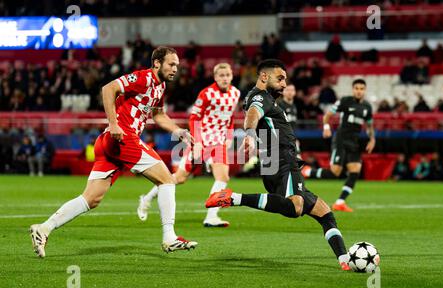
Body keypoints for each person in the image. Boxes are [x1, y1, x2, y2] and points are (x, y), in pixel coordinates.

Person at [29, 46, 198, 258]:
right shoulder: (143, 78)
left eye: (177, 66)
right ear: (157, 63)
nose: (175, 69)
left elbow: (159, 114)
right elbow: (108, 89)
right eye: (171, 64)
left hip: (111, 143)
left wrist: (178, 130)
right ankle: (169, 237)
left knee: (91, 199)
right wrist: (114, 123)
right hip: (122, 138)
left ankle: (43, 229)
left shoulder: (159, 86)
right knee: (167, 181)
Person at [205, 59, 352, 271]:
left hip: (275, 162)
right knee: (295, 207)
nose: (284, 84)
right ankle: (233, 198)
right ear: (264, 77)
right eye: (280, 78)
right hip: (283, 160)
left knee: (324, 212)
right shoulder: (260, 97)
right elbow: (252, 114)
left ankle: (345, 259)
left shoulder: (268, 100)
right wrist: (249, 134)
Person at [137, 63, 240, 227]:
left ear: (232, 76)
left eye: (227, 75)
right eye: (221, 76)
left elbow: (230, 117)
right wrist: (197, 142)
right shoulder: (207, 94)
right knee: (178, 178)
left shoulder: (236, 93)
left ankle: (211, 216)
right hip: (202, 139)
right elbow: (194, 118)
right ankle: (147, 198)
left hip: (218, 142)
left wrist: (229, 136)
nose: (224, 78)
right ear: (215, 77)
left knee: (223, 177)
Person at [302, 79, 376, 213]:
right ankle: (307, 171)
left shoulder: (367, 107)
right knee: (334, 172)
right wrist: (326, 127)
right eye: (357, 88)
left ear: (364, 91)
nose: (359, 91)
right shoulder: (345, 101)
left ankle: (340, 202)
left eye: (361, 89)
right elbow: (328, 115)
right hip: (341, 140)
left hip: (354, 142)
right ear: (353, 89)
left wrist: (372, 139)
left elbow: (370, 125)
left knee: (355, 171)